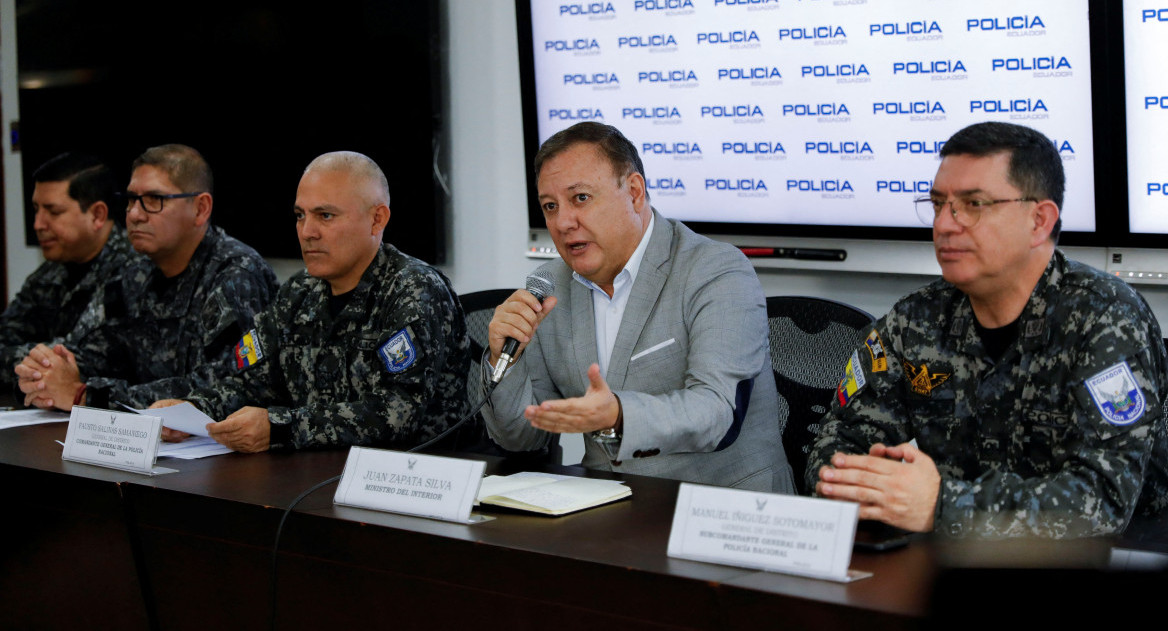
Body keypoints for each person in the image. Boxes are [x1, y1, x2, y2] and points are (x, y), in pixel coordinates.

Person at [808, 122, 1168, 538]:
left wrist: (942, 507)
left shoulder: (1105, 318)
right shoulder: (915, 320)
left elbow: (1103, 500)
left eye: (973, 204)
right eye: (938, 204)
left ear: (1039, 220)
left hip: (1107, 560)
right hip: (952, 560)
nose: (944, 224)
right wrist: (871, 487)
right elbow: (836, 447)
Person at [483, 122, 792, 491]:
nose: (563, 222)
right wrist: (505, 362)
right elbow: (522, 438)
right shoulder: (550, 286)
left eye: (580, 198)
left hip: (718, 512)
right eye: (550, 206)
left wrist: (619, 415)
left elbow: (717, 411)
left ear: (633, 192)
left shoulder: (716, 270)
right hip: (602, 513)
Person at [152, 151, 470, 453]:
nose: (307, 232)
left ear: (377, 220)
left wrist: (281, 428)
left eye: (325, 216)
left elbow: (397, 414)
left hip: (410, 481)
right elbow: (254, 383)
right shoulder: (298, 292)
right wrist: (194, 409)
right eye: (300, 216)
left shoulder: (413, 289)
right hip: (313, 476)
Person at [15, 144, 277, 410]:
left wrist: (87, 395)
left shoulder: (235, 273)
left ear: (200, 209)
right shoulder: (133, 272)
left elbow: (232, 384)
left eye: (154, 200)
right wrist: (46, 372)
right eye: (131, 200)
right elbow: (94, 351)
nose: (135, 214)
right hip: (145, 441)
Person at [0, 153, 136, 391]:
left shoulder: (133, 270)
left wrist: (31, 364)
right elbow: (6, 334)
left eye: (53, 212)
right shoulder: (50, 271)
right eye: (36, 209)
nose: (38, 225)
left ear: (97, 215)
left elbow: (77, 362)